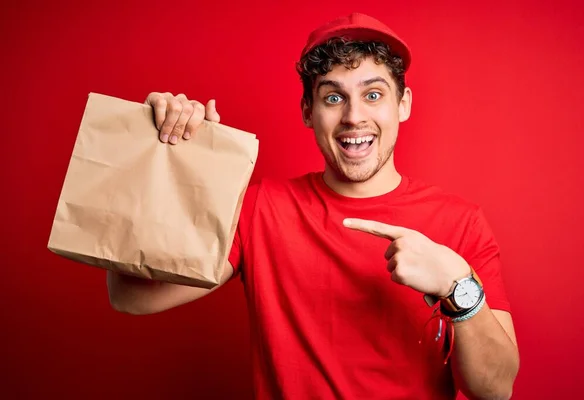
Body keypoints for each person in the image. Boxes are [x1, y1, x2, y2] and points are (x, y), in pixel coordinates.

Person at [107, 12, 519, 400]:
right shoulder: (261, 208)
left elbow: (495, 389)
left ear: (404, 104)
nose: (354, 116)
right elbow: (132, 295)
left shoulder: (461, 222)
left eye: (373, 94)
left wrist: (457, 285)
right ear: (308, 110)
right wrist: (163, 157)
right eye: (333, 98)